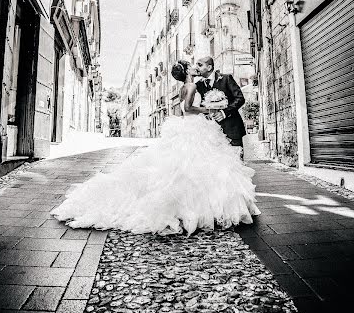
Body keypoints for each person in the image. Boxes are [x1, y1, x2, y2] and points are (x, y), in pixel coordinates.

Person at [50, 60, 260, 236]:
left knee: (189, 166)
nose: (196, 66)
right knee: (195, 165)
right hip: (195, 126)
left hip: (193, 125)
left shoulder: (188, 87)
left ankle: (198, 207)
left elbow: (186, 107)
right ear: (188, 71)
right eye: (193, 65)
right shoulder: (194, 86)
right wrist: (209, 108)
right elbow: (188, 108)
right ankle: (206, 208)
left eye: (200, 64)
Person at [195, 57, 246, 157]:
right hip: (212, 131)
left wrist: (224, 112)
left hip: (232, 127)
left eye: (200, 65)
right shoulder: (198, 85)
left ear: (209, 67)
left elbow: (240, 98)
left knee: (236, 161)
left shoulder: (226, 79)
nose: (196, 68)